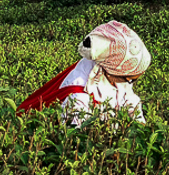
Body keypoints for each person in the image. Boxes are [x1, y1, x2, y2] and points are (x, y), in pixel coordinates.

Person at [18, 20, 150, 126]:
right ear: (112, 70)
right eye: (130, 79)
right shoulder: (79, 95)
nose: (129, 83)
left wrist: (139, 122)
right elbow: (77, 137)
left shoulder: (110, 67)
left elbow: (128, 97)